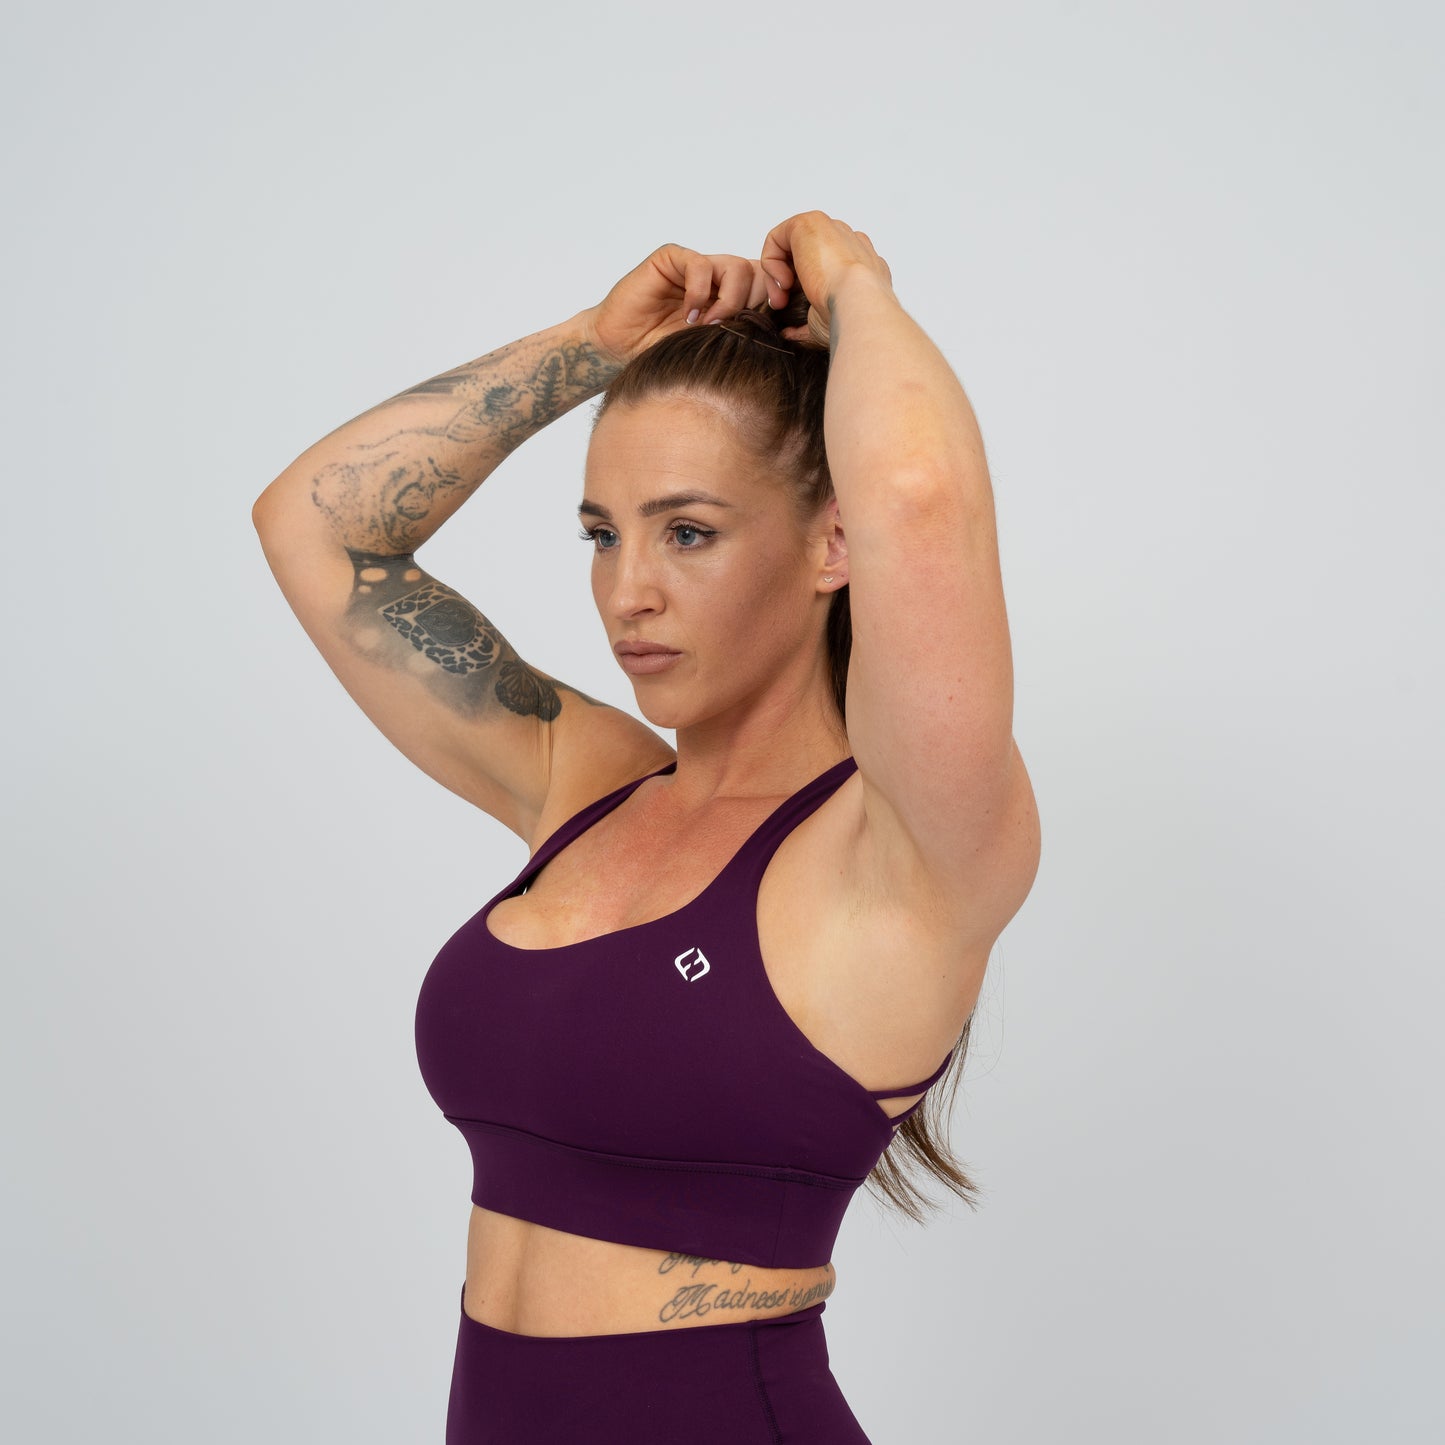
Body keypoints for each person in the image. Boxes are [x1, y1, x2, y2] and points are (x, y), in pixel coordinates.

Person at [253, 210, 1040, 1443]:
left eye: (688, 531)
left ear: (833, 541)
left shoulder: (904, 851)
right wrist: (595, 345)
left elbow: (919, 495)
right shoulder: (585, 786)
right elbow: (318, 525)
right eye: (600, 535)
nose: (628, 592)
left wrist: (855, 284)